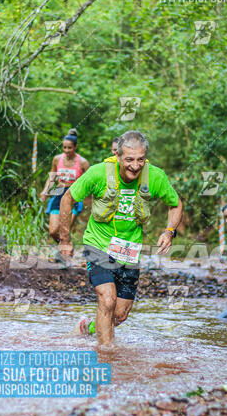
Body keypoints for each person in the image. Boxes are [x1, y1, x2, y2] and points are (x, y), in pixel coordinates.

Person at [58, 130, 183, 345]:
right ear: (117, 156)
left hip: (129, 250)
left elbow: (176, 203)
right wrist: (65, 239)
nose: (135, 165)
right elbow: (67, 198)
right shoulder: (98, 173)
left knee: (120, 314)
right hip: (98, 244)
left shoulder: (155, 176)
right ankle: (107, 356)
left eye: (140, 159)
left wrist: (169, 231)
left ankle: (88, 327)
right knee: (107, 299)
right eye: (129, 160)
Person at [40, 129, 89, 244]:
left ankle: (63, 253)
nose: (67, 151)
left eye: (69, 148)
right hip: (58, 192)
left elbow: (89, 182)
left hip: (73, 195)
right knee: (53, 231)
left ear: (75, 147)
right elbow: (51, 177)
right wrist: (45, 191)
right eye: (64, 147)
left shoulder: (83, 162)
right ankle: (67, 245)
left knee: (64, 230)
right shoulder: (57, 159)